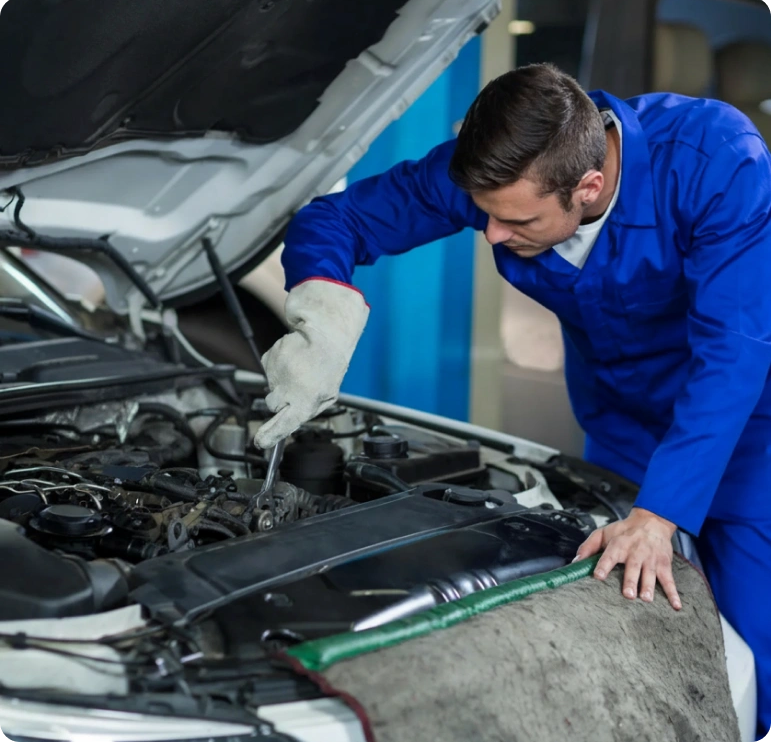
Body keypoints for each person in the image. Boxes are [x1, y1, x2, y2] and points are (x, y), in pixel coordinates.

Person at [254, 63, 771, 739]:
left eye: (515, 220)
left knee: (752, 647)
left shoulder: (715, 161)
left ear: (588, 187)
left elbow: (732, 352)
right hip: (618, 422)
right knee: (629, 625)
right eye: (486, 216)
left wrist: (660, 512)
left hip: (744, 433)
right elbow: (338, 217)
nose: (492, 235)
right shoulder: (504, 173)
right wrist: (321, 307)